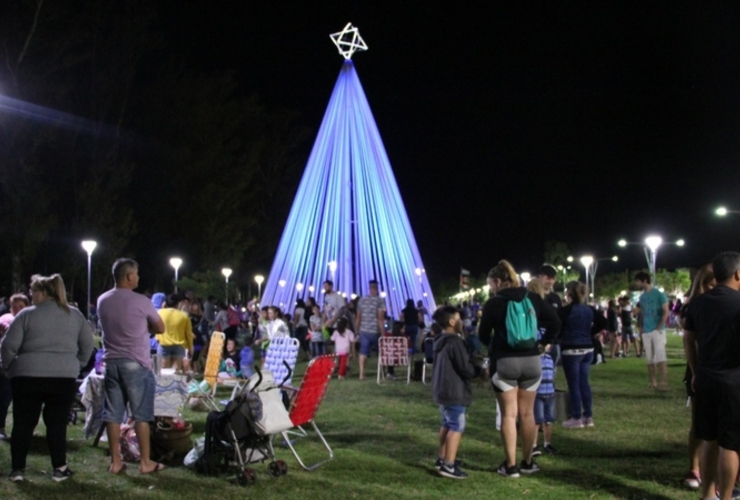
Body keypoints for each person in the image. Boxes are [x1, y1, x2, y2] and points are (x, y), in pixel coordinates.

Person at [1, 274, 94, 482]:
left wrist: (9, 367)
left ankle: (18, 469)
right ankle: (60, 468)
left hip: (27, 375)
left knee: (23, 424)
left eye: (33, 292)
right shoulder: (75, 315)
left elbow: (8, 345)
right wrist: (75, 365)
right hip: (63, 377)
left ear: (43, 293)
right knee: (57, 424)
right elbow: (88, 346)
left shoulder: (26, 315)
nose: (31, 296)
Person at [477, 260, 561, 477]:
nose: (491, 289)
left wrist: (495, 343)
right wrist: (544, 344)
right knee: (527, 414)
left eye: (490, 285)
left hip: (505, 362)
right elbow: (554, 321)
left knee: (508, 415)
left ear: (497, 281)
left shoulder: (494, 303)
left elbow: (483, 336)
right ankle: (528, 462)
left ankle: (510, 466)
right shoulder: (531, 298)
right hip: (532, 362)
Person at [97, 258, 166, 475]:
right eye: (136, 274)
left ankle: (116, 461)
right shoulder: (141, 301)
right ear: (128, 277)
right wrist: (144, 326)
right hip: (135, 362)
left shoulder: (102, 300)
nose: (138, 277)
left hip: (111, 362)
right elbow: (161, 327)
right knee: (142, 415)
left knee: (113, 414)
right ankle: (146, 462)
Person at [684, 252, 740, 500]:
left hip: (705, 379)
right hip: (733, 381)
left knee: (709, 439)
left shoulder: (698, 303)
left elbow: (688, 338)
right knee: (730, 443)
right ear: (738, 274)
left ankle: (708, 494)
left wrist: (695, 371)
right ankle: (726, 496)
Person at [680, 263, 715, 491]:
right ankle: (694, 467)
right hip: (700, 369)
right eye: (708, 284)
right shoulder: (693, 307)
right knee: (700, 423)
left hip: (723, 370)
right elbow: (689, 339)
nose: (712, 288)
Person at [432, 306, 476, 480]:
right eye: (459, 318)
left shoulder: (440, 340)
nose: (463, 322)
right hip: (454, 390)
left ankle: (441, 458)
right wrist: (478, 370)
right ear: (452, 321)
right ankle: (449, 465)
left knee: (447, 424)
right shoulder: (455, 342)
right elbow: (465, 369)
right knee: (457, 426)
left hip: (442, 389)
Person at [558, 281, 607, 428]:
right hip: (587, 348)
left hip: (571, 349)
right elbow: (603, 322)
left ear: (569, 293)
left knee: (574, 385)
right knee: (584, 383)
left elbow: (557, 326)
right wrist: (589, 332)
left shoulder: (565, 311)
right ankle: (588, 416)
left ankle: (576, 417)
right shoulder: (590, 309)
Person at [0, 293, 29, 440]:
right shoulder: (7, 319)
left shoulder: (29, 319)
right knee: (4, 395)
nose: (17, 310)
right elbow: (6, 326)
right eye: (14, 307)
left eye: (21, 307)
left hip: (22, 365)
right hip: (5, 363)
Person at [635, 271, 670, 390]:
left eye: (638, 281)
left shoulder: (659, 294)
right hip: (646, 331)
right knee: (649, 359)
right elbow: (642, 313)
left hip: (657, 330)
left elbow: (666, 311)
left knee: (661, 357)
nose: (637, 284)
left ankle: (663, 382)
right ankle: (653, 382)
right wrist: (641, 327)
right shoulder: (642, 297)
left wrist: (659, 327)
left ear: (644, 280)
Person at [355, 280, 386, 380]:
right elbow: (380, 318)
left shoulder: (362, 300)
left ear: (369, 289)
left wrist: (356, 330)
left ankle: (361, 374)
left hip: (363, 330)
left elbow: (358, 317)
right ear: (377, 289)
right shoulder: (380, 301)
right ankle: (383, 372)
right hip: (375, 330)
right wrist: (383, 333)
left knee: (363, 352)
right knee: (381, 352)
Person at [156, 293, 193, 373]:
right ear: (178, 304)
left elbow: (156, 328)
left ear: (165, 303)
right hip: (179, 345)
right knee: (176, 371)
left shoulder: (160, 313)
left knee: (163, 371)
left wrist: (157, 338)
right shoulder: (184, 316)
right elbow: (188, 334)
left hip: (163, 344)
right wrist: (190, 348)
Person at [532, 347, 557, 456]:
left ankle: (547, 443)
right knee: (537, 420)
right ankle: (533, 445)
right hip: (538, 395)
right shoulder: (534, 359)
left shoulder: (550, 358)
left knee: (549, 420)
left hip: (549, 394)